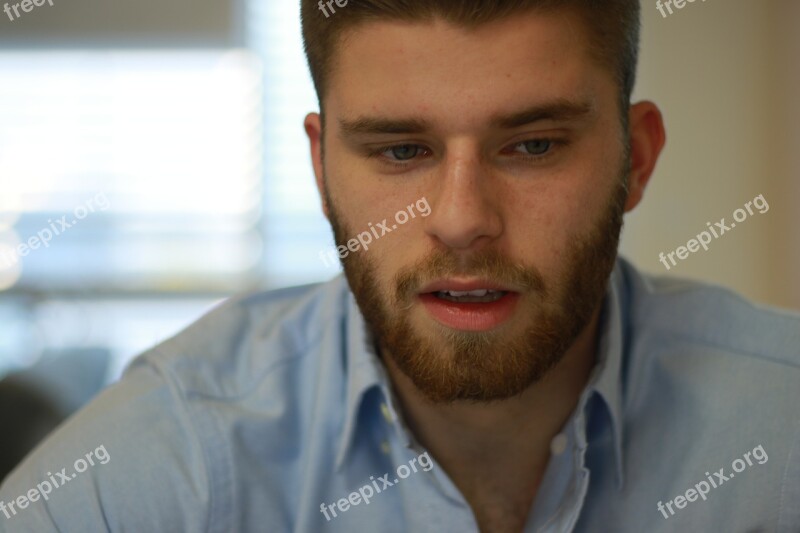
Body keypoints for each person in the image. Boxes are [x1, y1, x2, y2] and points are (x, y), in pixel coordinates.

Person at [1, 1, 798, 531]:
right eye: (402, 150)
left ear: (638, 159)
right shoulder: (178, 457)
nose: (461, 221)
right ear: (320, 170)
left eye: (533, 145)